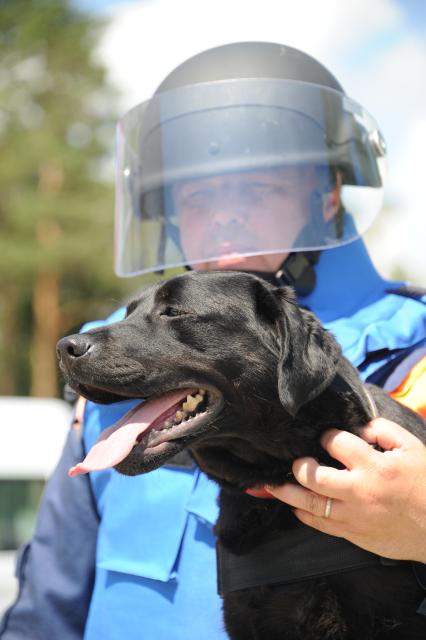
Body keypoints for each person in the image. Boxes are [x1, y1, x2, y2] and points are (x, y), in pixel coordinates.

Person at [1, 42, 425, 640]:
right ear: (169, 215)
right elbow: (46, 611)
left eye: (256, 188)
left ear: (325, 195)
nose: (226, 216)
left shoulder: (416, 352)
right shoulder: (118, 361)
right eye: (198, 197)